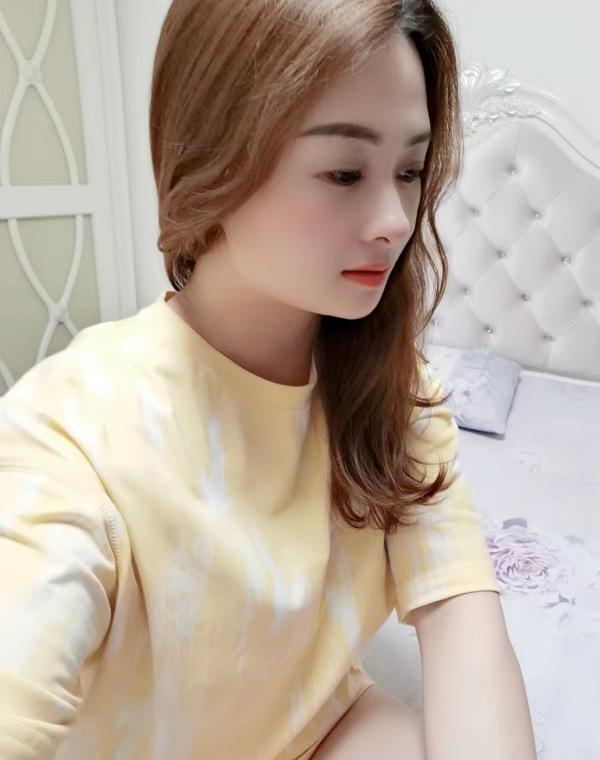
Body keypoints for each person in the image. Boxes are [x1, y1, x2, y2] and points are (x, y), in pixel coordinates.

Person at [0, 1, 537, 759]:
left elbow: (460, 616)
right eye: (344, 172)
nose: (395, 219)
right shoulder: (73, 438)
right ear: (213, 161)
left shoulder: (392, 387)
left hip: (327, 722)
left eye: (410, 171)